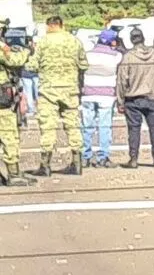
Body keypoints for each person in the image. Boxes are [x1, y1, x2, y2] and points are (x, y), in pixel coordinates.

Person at [25, 16, 89, 176]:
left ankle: (45, 165)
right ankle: (77, 163)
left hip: (48, 91)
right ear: (62, 25)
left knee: (48, 127)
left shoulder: (43, 42)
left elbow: (32, 66)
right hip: (70, 90)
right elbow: (83, 65)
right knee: (73, 126)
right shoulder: (75, 41)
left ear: (49, 26)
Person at [117, 27, 154, 169]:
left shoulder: (128, 57)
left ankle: (133, 159)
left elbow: (121, 80)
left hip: (133, 99)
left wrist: (120, 100)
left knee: (133, 129)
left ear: (132, 41)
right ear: (143, 38)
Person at [81, 29, 123, 168]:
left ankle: (85, 156)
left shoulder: (87, 55)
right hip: (106, 96)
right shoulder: (116, 56)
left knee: (87, 126)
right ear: (113, 41)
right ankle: (103, 157)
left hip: (88, 94)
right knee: (104, 127)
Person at [0, 17, 35, 186]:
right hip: (2, 101)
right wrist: (27, 50)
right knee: (9, 136)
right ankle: (13, 174)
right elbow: (15, 61)